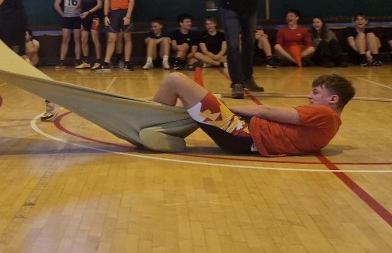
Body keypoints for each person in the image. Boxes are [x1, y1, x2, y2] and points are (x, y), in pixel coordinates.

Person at [151, 71, 354, 156]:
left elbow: (267, 111)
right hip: (244, 136)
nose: (309, 96)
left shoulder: (325, 114)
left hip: (242, 132)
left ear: (333, 99)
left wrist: (226, 107)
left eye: (316, 92)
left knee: (175, 80)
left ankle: (148, 124)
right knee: (185, 98)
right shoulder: (332, 125)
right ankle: (162, 134)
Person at [99, 0, 136, 71]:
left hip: (125, 12)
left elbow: (132, 0)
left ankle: (127, 62)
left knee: (127, 37)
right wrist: (105, 15)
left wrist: (128, 16)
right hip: (113, 14)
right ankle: (106, 63)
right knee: (111, 38)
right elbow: (107, 0)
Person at [53, 0, 83, 68]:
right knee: (65, 39)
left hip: (77, 18)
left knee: (77, 39)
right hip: (67, 18)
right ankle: (62, 61)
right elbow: (56, 4)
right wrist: (63, 14)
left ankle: (78, 61)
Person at [78, 0, 104, 70]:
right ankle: (86, 62)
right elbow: (80, 2)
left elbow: (99, 5)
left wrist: (88, 12)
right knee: (83, 39)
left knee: (95, 39)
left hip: (94, 17)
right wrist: (75, 8)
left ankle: (98, 62)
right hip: (84, 18)